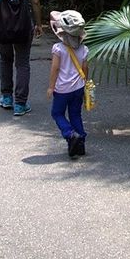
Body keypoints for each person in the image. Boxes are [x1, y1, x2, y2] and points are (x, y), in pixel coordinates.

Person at [46, 10, 89, 158]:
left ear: (62, 32)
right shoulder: (84, 49)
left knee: (57, 113)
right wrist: (84, 86)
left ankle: (70, 134)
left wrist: (51, 87)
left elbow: (55, 69)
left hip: (62, 90)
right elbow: (85, 69)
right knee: (75, 114)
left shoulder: (58, 49)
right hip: (78, 88)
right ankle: (81, 143)